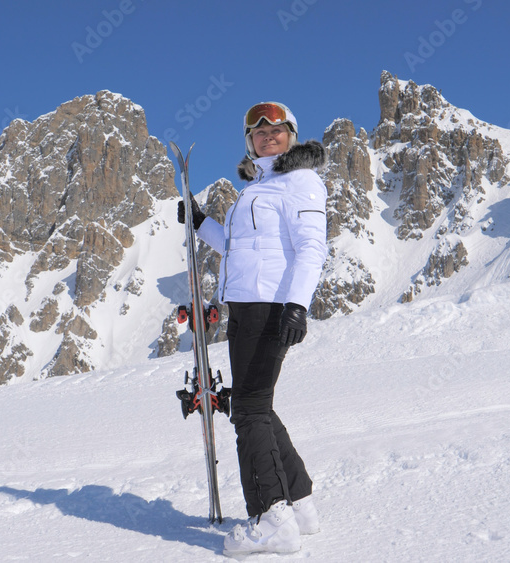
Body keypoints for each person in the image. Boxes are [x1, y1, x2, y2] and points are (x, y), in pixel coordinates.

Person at [178, 101, 329, 555]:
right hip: (244, 308)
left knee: (247, 409)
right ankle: (299, 504)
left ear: (292, 135)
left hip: (270, 307)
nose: (268, 135)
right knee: (256, 404)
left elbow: (312, 246)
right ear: (250, 141)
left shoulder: (301, 182)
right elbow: (239, 247)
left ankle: (269, 518)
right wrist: (201, 223)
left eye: (277, 129)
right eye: (258, 131)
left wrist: (297, 305)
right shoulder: (262, 186)